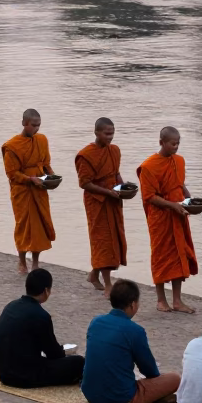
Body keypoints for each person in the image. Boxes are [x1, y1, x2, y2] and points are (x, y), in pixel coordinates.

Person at [81, 280, 179, 403]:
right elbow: (149, 370)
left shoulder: (96, 322)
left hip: (90, 394)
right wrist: (157, 383)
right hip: (120, 398)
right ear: (133, 304)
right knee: (175, 378)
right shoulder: (135, 330)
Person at [137, 127, 197, 314]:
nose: (176, 147)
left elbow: (180, 183)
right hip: (161, 217)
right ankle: (161, 300)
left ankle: (177, 300)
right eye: (173, 143)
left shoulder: (179, 161)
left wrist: (190, 199)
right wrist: (172, 205)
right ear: (161, 142)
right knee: (162, 256)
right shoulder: (149, 166)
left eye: (178, 143)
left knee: (180, 255)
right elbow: (150, 197)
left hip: (178, 214)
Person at [0, 268, 84, 388]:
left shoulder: (11, 306)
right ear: (46, 290)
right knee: (78, 362)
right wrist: (64, 352)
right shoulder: (41, 315)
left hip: (3, 372)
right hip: (25, 375)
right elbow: (53, 354)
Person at [75, 117, 126, 297]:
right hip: (97, 201)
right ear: (96, 132)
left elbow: (116, 173)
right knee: (102, 240)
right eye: (106, 133)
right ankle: (108, 284)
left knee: (113, 240)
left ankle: (94, 275)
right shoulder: (87, 155)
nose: (110, 137)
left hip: (112, 199)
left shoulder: (115, 150)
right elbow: (84, 183)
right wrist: (107, 192)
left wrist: (123, 187)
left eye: (112, 133)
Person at [1, 109, 56, 275]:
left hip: (39, 188)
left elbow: (45, 163)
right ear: (24, 123)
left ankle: (36, 263)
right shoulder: (12, 146)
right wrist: (29, 179)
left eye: (39, 125)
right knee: (23, 225)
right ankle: (22, 261)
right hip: (22, 190)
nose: (37, 129)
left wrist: (51, 176)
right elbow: (12, 173)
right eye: (33, 125)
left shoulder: (42, 140)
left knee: (39, 227)